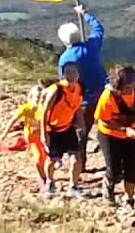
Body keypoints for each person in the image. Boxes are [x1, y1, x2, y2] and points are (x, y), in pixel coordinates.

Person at [57, 4, 108, 182]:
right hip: (104, 97)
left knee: (81, 134)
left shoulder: (66, 58)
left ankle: (80, 165)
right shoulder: (92, 46)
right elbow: (98, 29)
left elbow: (65, 83)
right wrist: (84, 14)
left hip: (83, 102)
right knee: (107, 130)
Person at [94, 64, 135, 207]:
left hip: (131, 134)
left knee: (131, 168)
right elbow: (103, 120)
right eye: (126, 88)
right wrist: (124, 129)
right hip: (109, 134)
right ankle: (108, 189)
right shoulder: (108, 96)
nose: (130, 89)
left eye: (132, 86)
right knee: (114, 169)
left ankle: (129, 198)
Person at [0, 79, 55, 188]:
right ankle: (42, 177)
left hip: (44, 136)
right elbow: (13, 120)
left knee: (47, 157)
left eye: (41, 97)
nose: (38, 100)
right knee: (38, 158)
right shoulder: (26, 108)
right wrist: (4, 134)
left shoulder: (45, 109)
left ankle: (48, 175)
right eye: (36, 97)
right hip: (32, 138)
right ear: (31, 97)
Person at [39, 61, 86, 199]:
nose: (72, 75)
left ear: (78, 74)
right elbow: (44, 112)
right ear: (63, 75)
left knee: (76, 156)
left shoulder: (79, 88)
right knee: (52, 159)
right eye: (68, 72)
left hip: (68, 127)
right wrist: (43, 134)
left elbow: (77, 107)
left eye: (74, 72)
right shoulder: (56, 90)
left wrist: (81, 124)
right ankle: (50, 182)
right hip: (52, 129)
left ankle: (73, 186)